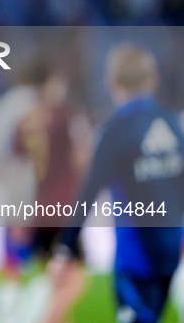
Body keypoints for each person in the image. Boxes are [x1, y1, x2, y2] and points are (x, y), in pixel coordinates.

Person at [50, 43, 184, 323]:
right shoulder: (172, 124)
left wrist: (66, 246)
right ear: (153, 80)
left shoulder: (114, 131)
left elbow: (89, 191)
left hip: (137, 256)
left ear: (112, 82)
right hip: (173, 249)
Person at [5, 57, 90, 323]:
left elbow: (14, 169)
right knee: (76, 280)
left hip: (38, 209)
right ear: (52, 82)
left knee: (56, 281)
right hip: (64, 208)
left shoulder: (26, 120)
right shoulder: (67, 116)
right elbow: (82, 159)